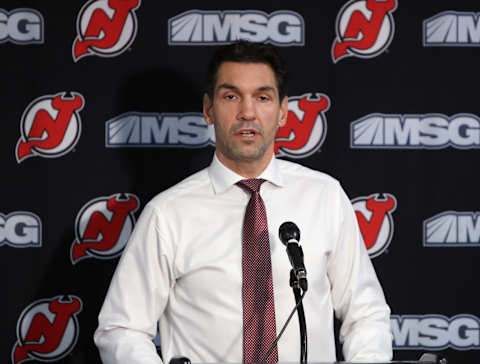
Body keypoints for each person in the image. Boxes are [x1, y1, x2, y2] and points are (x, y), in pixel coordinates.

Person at [94, 41, 392, 364]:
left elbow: (366, 313)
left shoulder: (325, 197)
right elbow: (120, 328)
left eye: (262, 97)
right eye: (231, 96)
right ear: (208, 110)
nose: (247, 112)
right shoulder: (167, 214)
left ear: (282, 112)